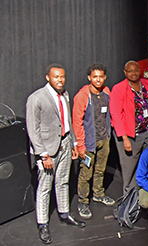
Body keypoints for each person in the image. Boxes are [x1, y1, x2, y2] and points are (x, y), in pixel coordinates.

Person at [27, 64, 85, 244]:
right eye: (56, 77)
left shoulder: (65, 95)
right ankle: (43, 224)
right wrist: (43, 155)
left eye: (62, 77)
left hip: (66, 143)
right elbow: (32, 130)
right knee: (45, 187)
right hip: (47, 149)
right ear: (48, 78)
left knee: (63, 181)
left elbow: (67, 121)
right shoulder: (36, 98)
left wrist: (74, 143)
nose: (60, 80)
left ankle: (64, 213)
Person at [72, 63, 115, 220]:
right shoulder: (82, 96)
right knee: (86, 173)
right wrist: (80, 145)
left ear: (104, 77)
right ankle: (83, 202)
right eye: (95, 77)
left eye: (101, 76)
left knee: (100, 169)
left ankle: (98, 194)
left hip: (104, 139)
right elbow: (77, 122)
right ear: (89, 77)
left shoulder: (106, 92)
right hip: (89, 142)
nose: (98, 80)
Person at [110, 61, 148, 194]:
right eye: (130, 71)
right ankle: (129, 200)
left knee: (145, 166)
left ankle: (142, 195)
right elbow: (116, 114)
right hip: (130, 136)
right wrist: (124, 138)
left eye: (136, 70)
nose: (133, 73)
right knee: (129, 169)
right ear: (125, 72)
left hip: (146, 132)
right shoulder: (119, 88)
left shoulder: (147, 84)